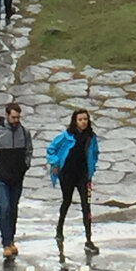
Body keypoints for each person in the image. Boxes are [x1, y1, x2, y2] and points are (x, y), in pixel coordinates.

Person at [0, 101, 33, 259]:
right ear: (7, 115)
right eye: (13, 117)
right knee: (4, 208)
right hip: (1, 178)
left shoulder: (24, 132)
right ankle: (6, 243)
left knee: (13, 208)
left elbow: (29, 151)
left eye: (18, 117)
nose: (16, 120)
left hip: (17, 178)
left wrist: (25, 165)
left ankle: (11, 240)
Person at [46, 108, 100, 253]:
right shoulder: (67, 136)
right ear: (75, 121)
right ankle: (59, 229)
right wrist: (55, 162)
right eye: (80, 119)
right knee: (67, 201)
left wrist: (92, 168)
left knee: (86, 206)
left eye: (85, 119)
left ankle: (89, 239)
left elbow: (95, 153)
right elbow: (51, 149)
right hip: (68, 175)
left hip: (83, 176)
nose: (83, 122)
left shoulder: (91, 137)